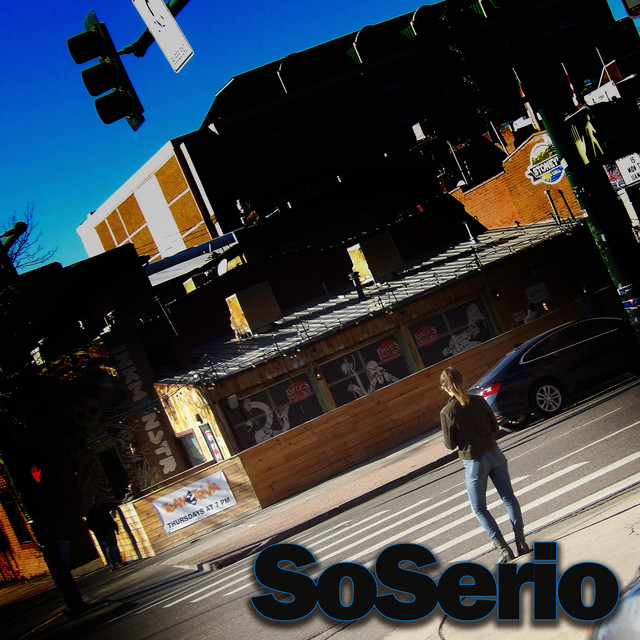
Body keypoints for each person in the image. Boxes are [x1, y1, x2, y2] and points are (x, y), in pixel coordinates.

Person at [439, 367, 530, 563]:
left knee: (479, 508)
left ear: (446, 388)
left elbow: (450, 444)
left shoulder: (447, 412)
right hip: (494, 452)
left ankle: (503, 549)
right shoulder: (479, 401)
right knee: (508, 498)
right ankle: (521, 542)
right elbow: (495, 427)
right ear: (462, 381)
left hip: (474, 461)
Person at [84, 503, 124, 572]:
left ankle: (118, 562)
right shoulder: (93, 512)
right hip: (103, 531)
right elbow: (88, 524)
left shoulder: (103, 507)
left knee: (114, 545)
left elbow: (113, 504)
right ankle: (114, 564)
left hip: (108, 529)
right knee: (109, 547)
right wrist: (96, 530)